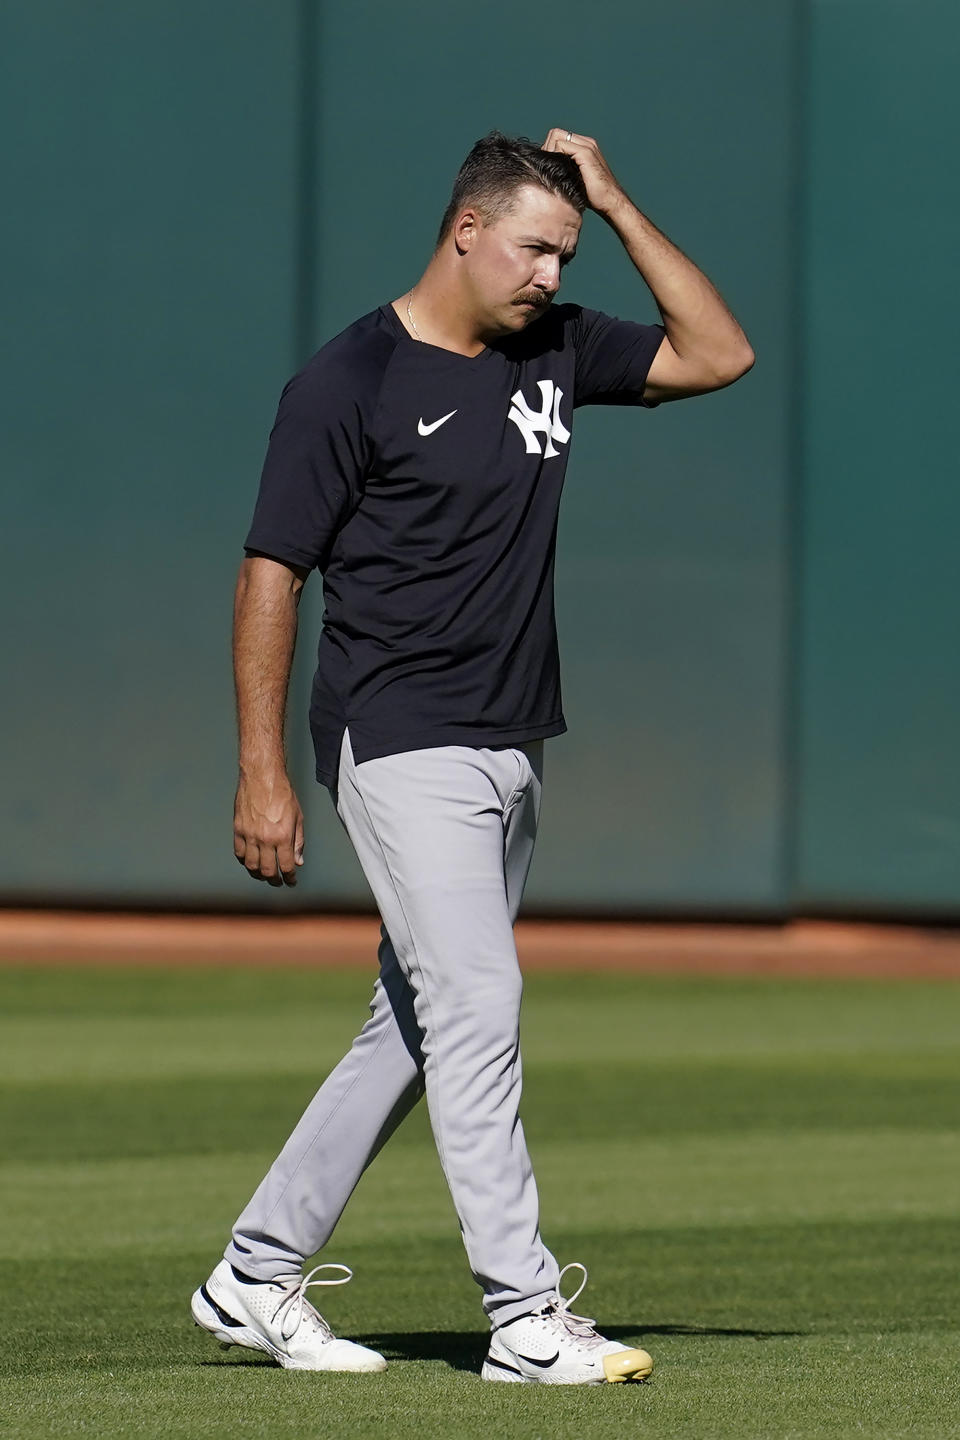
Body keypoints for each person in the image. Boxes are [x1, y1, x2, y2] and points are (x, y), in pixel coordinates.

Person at [191, 129, 753, 1384]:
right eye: (536, 246)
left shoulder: (553, 346)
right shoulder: (351, 381)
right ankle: (524, 1317)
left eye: (566, 250)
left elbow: (720, 352)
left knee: (415, 1019)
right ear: (465, 230)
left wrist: (612, 199)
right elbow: (270, 572)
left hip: (511, 741)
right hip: (399, 735)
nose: (553, 274)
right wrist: (262, 769)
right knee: (481, 1004)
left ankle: (255, 1272)